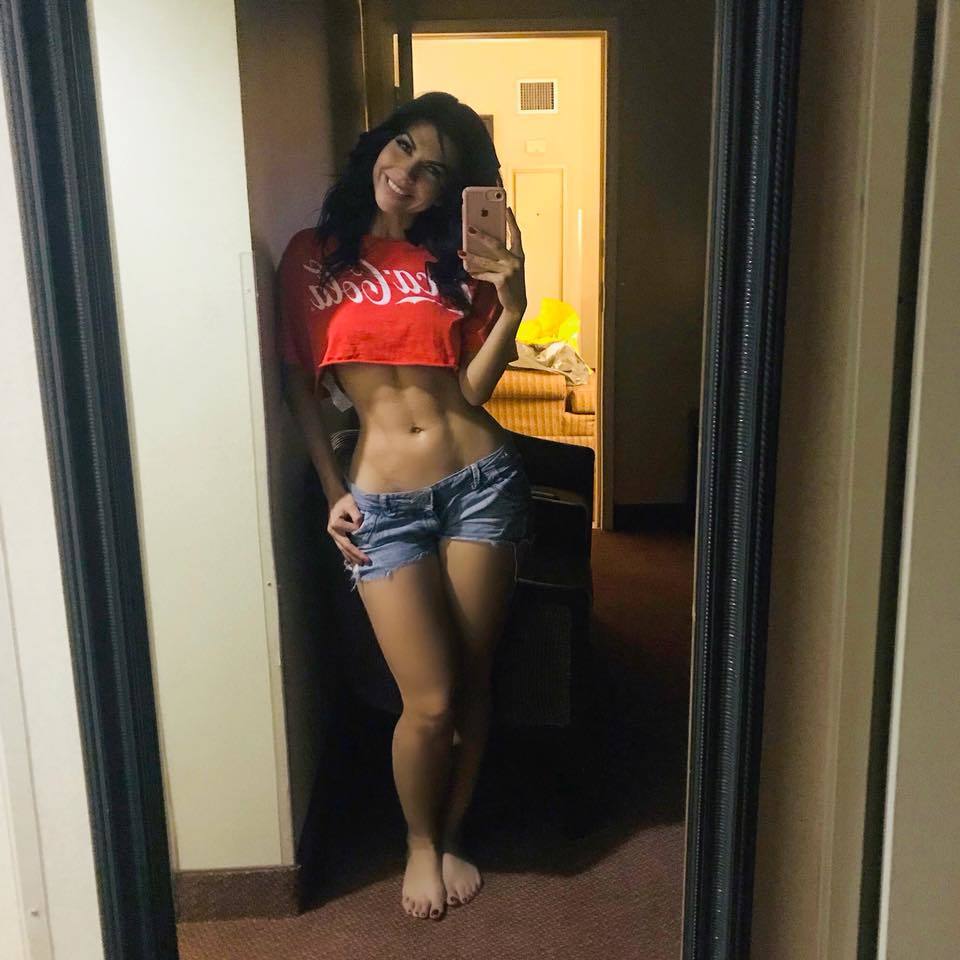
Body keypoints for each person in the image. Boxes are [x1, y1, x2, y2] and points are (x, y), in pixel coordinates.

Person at [277, 92, 530, 922]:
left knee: (473, 679)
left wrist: (513, 307)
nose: (409, 174)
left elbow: (472, 392)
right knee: (428, 700)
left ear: (449, 192)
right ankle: (418, 842)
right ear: (377, 148)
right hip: (383, 502)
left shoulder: (452, 262)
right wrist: (332, 491)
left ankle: (452, 834)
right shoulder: (312, 256)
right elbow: (301, 386)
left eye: (435, 172)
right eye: (403, 148)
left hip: (479, 480)